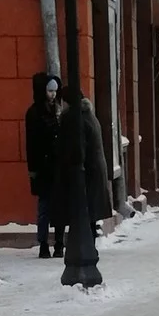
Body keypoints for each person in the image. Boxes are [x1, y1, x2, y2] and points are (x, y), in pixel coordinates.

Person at [56, 91, 113, 245]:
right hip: (94, 169)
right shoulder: (89, 115)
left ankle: (85, 244)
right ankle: (90, 240)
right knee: (90, 210)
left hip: (86, 171)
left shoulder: (76, 119)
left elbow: (76, 149)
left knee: (83, 207)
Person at [25, 73, 65, 258]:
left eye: (55, 91)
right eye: (50, 91)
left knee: (59, 206)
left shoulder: (60, 109)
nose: (53, 95)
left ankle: (59, 243)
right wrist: (33, 169)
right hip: (43, 167)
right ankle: (43, 243)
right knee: (44, 208)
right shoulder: (34, 113)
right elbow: (31, 144)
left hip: (58, 167)